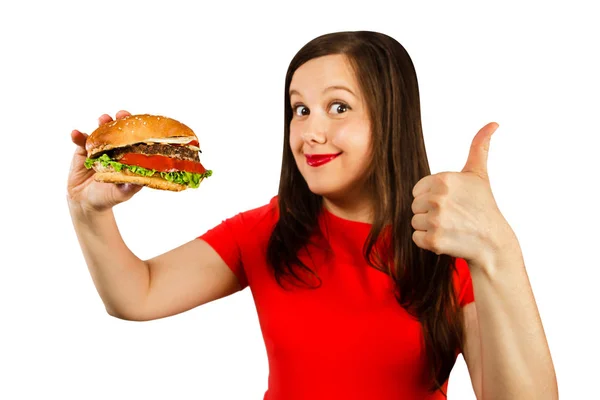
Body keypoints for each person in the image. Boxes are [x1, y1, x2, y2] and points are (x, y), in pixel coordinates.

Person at [68, 31, 558, 399]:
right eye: (300, 110)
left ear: (391, 119)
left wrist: (498, 247)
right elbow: (138, 294)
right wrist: (88, 212)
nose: (310, 133)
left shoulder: (447, 246)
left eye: (338, 107)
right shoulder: (266, 230)